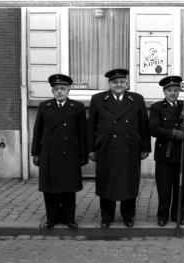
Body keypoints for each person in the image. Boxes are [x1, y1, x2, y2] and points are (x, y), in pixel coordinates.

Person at [87, 68, 151, 228]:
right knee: (106, 182)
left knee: (129, 182)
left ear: (127, 83)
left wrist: (145, 147)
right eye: (115, 82)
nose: (119, 84)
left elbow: (144, 125)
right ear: (109, 84)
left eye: (122, 82)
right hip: (106, 148)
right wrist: (91, 149)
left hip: (130, 149)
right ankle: (106, 217)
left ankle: (128, 216)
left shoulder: (136, 99)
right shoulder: (98, 99)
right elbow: (91, 127)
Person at [31, 74, 87, 230]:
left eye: (63, 88)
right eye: (56, 89)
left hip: (70, 153)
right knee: (50, 188)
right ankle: (51, 219)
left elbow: (82, 132)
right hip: (49, 153)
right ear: (52, 91)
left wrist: (83, 154)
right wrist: (35, 152)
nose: (60, 92)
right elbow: (38, 131)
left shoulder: (78, 107)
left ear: (68, 90)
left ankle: (69, 218)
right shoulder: (44, 106)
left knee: (69, 188)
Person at [149, 76, 184, 226]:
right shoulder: (157, 107)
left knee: (183, 187)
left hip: (183, 153)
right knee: (164, 187)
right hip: (165, 153)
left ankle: (179, 215)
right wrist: (174, 133)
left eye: (175, 90)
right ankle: (162, 216)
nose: (172, 93)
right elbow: (153, 129)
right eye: (169, 90)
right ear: (164, 91)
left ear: (179, 91)